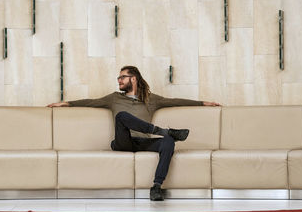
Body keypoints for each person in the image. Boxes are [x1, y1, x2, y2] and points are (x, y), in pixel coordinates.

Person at [47, 66, 221, 201]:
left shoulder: (151, 99)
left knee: (169, 141)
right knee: (122, 116)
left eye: (122, 77)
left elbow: (175, 101)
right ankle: (162, 131)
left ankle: (156, 187)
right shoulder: (114, 98)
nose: (119, 80)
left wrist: (202, 103)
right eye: (119, 78)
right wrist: (67, 103)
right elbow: (91, 102)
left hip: (143, 142)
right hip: (123, 143)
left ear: (134, 78)